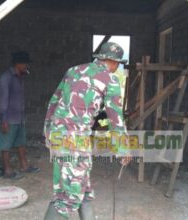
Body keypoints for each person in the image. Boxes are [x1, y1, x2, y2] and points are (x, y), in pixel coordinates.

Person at [43, 42, 132, 219]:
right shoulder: (110, 79)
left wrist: (47, 132)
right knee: (68, 197)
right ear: (113, 62)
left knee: (83, 188)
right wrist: (123, 149)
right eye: (118, 64)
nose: (117, 68)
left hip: (58, 135)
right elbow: (116, 119)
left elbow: (53, 101)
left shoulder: (73, 70)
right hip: (74, 141)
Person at [0, 51, 40, 180]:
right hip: (8, 118)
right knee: (6, 144)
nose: (27, 66)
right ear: (18, 64)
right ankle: (7, 170)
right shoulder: (6, 78)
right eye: (25, 64)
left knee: (21, 142)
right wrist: (4, 120)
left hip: (19, 117)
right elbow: (3, 100)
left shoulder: (19, 76)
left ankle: (24, 165)